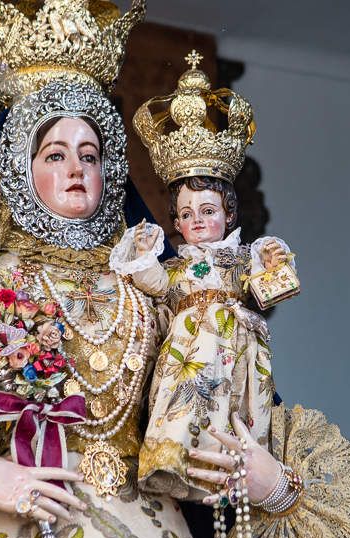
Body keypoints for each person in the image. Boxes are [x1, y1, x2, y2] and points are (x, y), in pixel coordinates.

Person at [0, 3, 350, 538]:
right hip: (23, 531)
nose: (77, 169)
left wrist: (274, 485)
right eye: (55, 154)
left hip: (154, 536)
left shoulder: (151, 279)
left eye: (91, 154)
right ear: (17, 166)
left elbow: (221, 401)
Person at [111, 83, 294, 499]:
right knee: (180, 397)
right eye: (186, 214)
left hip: (235, 344)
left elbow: (273, 286)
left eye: (208, 212)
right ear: (175, 220)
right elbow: (156, 283)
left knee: (233, 411)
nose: (196, 221)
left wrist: (271, 259)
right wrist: (141, 255)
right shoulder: (177, 267)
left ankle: (231, 468)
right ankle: (173, 460)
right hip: (186, 349)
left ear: (229, 214)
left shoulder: (241, 257)